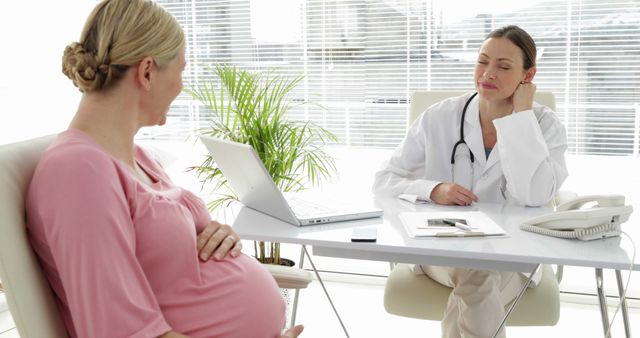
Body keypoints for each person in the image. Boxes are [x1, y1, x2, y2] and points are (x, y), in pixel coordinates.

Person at [25, 1, 303, 337]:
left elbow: (167, 259)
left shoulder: (137, 156)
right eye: (181, 70)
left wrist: (218, 238)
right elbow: (118, 332)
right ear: (147, 72)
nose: (182, 86)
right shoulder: (78, 171)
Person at [373, 25, 568, 338]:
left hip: (514, 255)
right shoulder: (439, 117)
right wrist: (432, 190)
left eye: (504, 66)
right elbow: (384, 180)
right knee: (474, 272)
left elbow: (534, 196)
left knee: (475, 280)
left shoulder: (545, 125)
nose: (488, 73)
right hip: (442, 252)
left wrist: (521, 118)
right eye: (482, 61)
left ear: (527, 76)